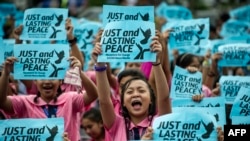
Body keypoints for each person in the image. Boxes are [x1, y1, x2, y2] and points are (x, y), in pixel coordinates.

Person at [92, 34, 171, 140]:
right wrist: (100, 65)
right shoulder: (116, 124)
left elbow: (164, 99)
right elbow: (104, 101)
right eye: (129, 92)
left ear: (151, 99)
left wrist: (156, 62)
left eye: (141, 90)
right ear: (123, 101)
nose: (135, 94)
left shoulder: (160, 123)